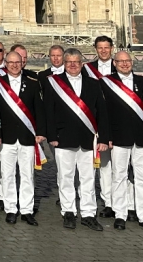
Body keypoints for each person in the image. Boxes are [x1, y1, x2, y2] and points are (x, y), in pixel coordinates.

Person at [45, 48, 107, 231]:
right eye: (69, 62)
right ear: (64, 64)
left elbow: (101, 113)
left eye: (76, 62)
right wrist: (52, 136)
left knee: (88, 178)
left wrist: (103, 137)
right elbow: (49, 111)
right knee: (65, 177)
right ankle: (68, 212)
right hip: (63, 138)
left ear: (82, 64)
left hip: (88, 139)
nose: (73, 65)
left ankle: (88, 213)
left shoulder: (94, 84)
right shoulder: (54, 83)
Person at [100, 50, 143, 231]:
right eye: (121, 61)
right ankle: (120, 213)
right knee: (119, 176)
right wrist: (107, 137)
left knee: (142, 177)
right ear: (115, 63)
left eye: (127, 61)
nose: (125, 64)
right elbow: (104, 113)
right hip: (118, 137)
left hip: (142, 137)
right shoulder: (106, 82)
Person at [0, 50, 45, 226]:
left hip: (28, 137)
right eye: (11, 62)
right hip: (6, 137)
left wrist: (40, 132)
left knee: (28, 175)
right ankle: (11, 209)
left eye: (17, 62)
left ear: (23, 64)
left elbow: (39, 110)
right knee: (7, 175)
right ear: (5, 63)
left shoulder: (33, 83)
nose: (14, 65)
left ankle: (27, 210)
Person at [86, 35, 117, 218]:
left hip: (118, 120)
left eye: (106, 47)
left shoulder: (120, 65)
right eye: (100, 47)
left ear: (112, 48)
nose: (104, 50)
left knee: (122, 165)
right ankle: (108, 202)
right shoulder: (88, 69)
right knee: (104, 164)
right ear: (95, 49)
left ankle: (125, 202)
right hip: (97, 120)